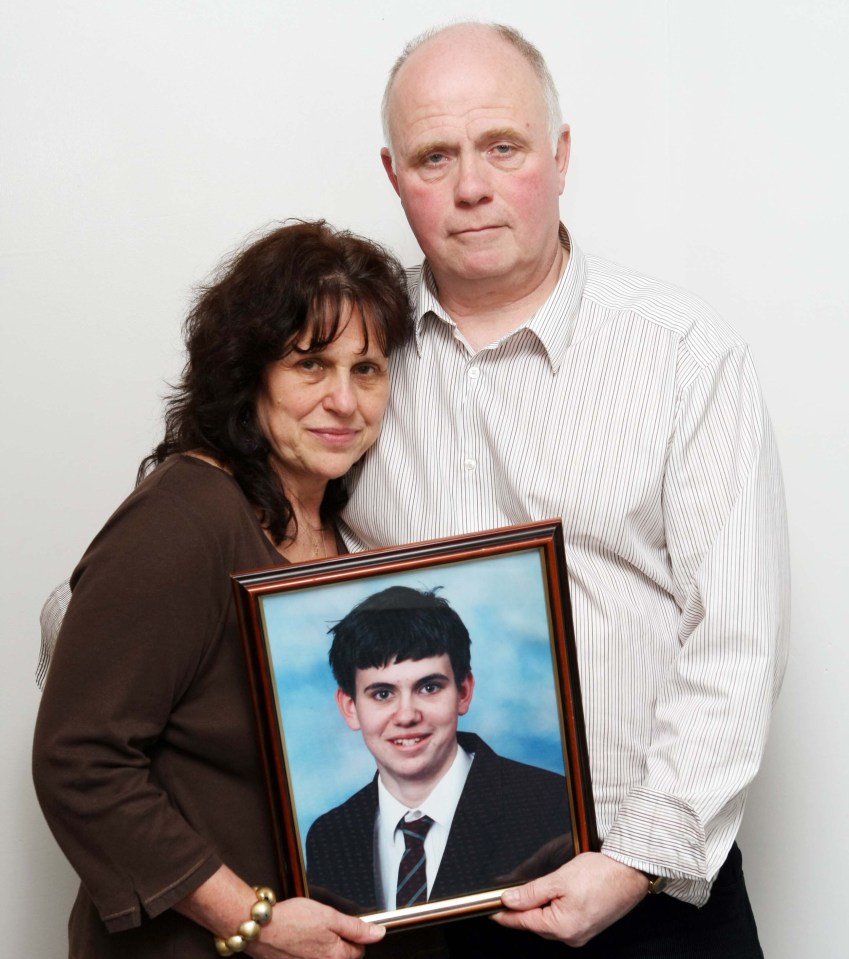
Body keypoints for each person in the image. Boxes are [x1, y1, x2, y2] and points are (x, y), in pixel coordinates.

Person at [339, 20, 790, 959]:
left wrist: (630, 863)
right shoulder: (345, 370)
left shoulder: (681, 356)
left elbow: (736, 644)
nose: (471, 185)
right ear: (392, 176)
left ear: (560, 152)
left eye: (501, 146)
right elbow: (238, 546)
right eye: (434, 156)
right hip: (423, 904)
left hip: (650, 894)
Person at [32, 220, 411, 959]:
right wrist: (252, 919)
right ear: (247, 373)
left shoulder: (339, 526)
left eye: (366, 369)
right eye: (310, 364)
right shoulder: (184, 518)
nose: (344, 400)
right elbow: (79, 757)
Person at [305, 586, 572, 914]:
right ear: (349, 707)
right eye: (382, 694)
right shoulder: (329, 836)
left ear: (463, 692)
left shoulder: (550, 804)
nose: (406, 715)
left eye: (428, 687)